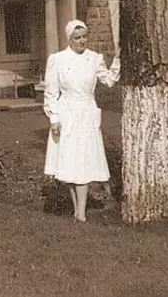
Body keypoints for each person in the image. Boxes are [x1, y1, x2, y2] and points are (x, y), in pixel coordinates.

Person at [43, 19, 120, 223]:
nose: (82, 41)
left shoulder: (94, 59)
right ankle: (77, 210)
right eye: (77, 38)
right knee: (69, 163)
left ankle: (81, 213)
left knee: (83, 162)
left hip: (86, 114)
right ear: (69, 39)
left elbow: (109, 80)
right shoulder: (58, 60)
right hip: (66, 113)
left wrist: (118, 60)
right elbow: (51, 92)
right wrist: (54, 118)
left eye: (84, 36)